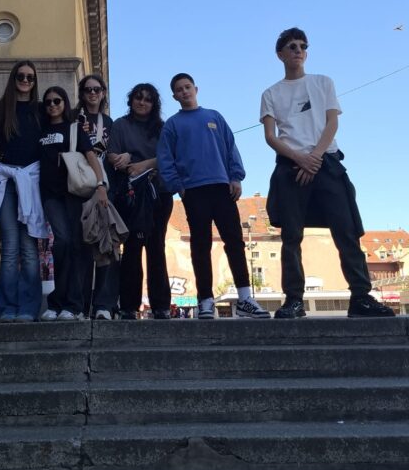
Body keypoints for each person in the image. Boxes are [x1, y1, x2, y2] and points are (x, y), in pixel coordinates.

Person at [260, 27, 394, 320]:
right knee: (291, 236)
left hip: (326, 162)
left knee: (346, 230)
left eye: (302, 46)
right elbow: (271, 136)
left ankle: (361, 297)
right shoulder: (271, 93)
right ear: (280, 54)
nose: (298, 50)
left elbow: (332, 123)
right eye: (292, 46)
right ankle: (294, 300)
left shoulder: (323, 82)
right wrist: (300, 159)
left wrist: (315, 158)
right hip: (290, 167)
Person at [158, 74, 270, 320]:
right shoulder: (172, 125)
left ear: (196, 89)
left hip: (222, 187)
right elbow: (165, 159)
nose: (184, 91)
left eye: (187, 87)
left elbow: (231, 147)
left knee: (235, 241)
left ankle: (245, 298)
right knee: (201, 245)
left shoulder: (214, 117)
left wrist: (236, 177)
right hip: (193, 190)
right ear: (174, 96)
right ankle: (205, 300)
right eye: (179, 89)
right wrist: (178, 187)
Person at [0, 61, 47, 322]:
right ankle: (7, 308)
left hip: (32, 182)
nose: (25, 80)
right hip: (7, 179)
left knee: (30, 249)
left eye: (30, 77)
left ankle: (29, 308)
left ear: (34, 82)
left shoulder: (41, 110)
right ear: (13, 78)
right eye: (21, 76)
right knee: (9, 248)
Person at [38, 86, 108, 320]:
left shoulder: (74, 128)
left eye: (57, 101)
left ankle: (73, 304)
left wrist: (100, 184)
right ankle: (57, 302)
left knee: (75, 245)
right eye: (48, 102)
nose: (52, 105)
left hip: (73, 193)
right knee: (62, 243)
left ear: (65, 103)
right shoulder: (41, 130)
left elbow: (91, 156)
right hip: (49, 195)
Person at [108, 83, 172, 320]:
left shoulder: (163, 128)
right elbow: (112, 154)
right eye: (138, 97)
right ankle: (128, 306)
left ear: (154, 104)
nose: (142, 102)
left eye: (147, 99)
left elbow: (169, 156)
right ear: (131, 100)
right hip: (131, 194)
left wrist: (143, 164)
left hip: (158, 193)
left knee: (156, 247)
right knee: (132, 248)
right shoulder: (120, 125)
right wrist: (122, 160)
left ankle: (161, 305)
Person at [73, 74, 117, 320]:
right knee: (80, 246)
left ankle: (103, 305)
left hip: (103, 186)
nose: (92, 93)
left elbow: (113, 151)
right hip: (78, 182)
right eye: (88, 90)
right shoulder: (73, 118)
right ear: (82, 93)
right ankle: (80, 305)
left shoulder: (108, 122)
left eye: (97, 90)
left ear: (103, 93)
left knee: (104, 245)